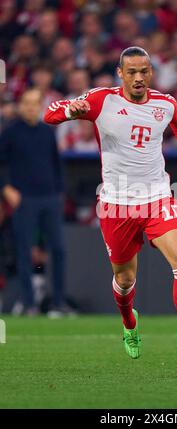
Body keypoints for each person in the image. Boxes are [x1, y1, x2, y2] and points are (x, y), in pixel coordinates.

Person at [44, 46, 177, 362]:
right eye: (132, 72)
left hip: (157, 197)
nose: (139, 78)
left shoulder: (164, 104)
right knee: (125, 281)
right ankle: (129, 321)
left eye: (144, 71)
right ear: (120, 73)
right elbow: (49, 114)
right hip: (116, 203)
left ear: (150, 72)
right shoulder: (101, 100)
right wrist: (72, 110)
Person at [0, 88, 65, 316]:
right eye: (26, 103)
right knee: (24, 251)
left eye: (34, 103)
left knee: (58, 250)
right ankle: (29, 304)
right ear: (20, 105)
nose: (30, 108)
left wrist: (58, 193)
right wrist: (6, 188)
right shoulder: (10, 132)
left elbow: (56, 164)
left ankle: (58, 303)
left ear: (40, 106)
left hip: (49, 197)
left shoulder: (47, 133)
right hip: (24, 198)